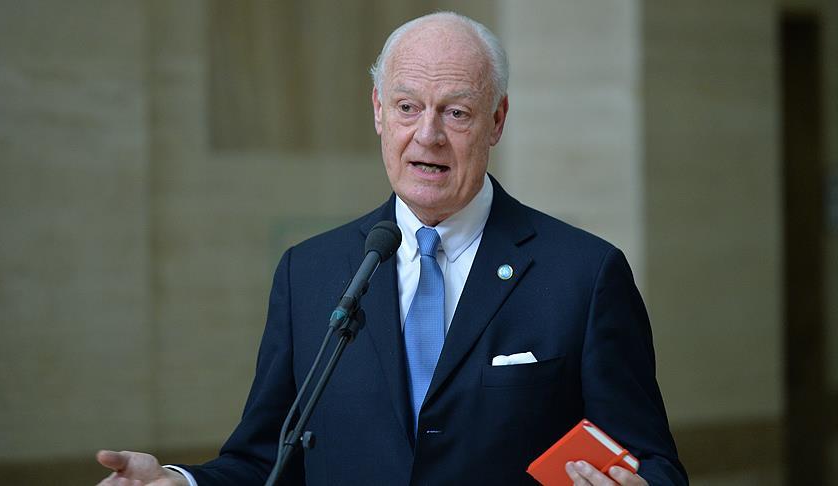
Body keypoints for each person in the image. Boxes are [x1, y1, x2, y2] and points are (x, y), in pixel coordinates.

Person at [97, 12, 687, 486]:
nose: (427, 135)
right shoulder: (310, 272)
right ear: (379, 112)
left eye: (456, 112)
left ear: (497, 120)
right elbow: (265, 461)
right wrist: (179, 481)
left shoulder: (585, 274)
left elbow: (653, 463)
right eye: (407, 107)